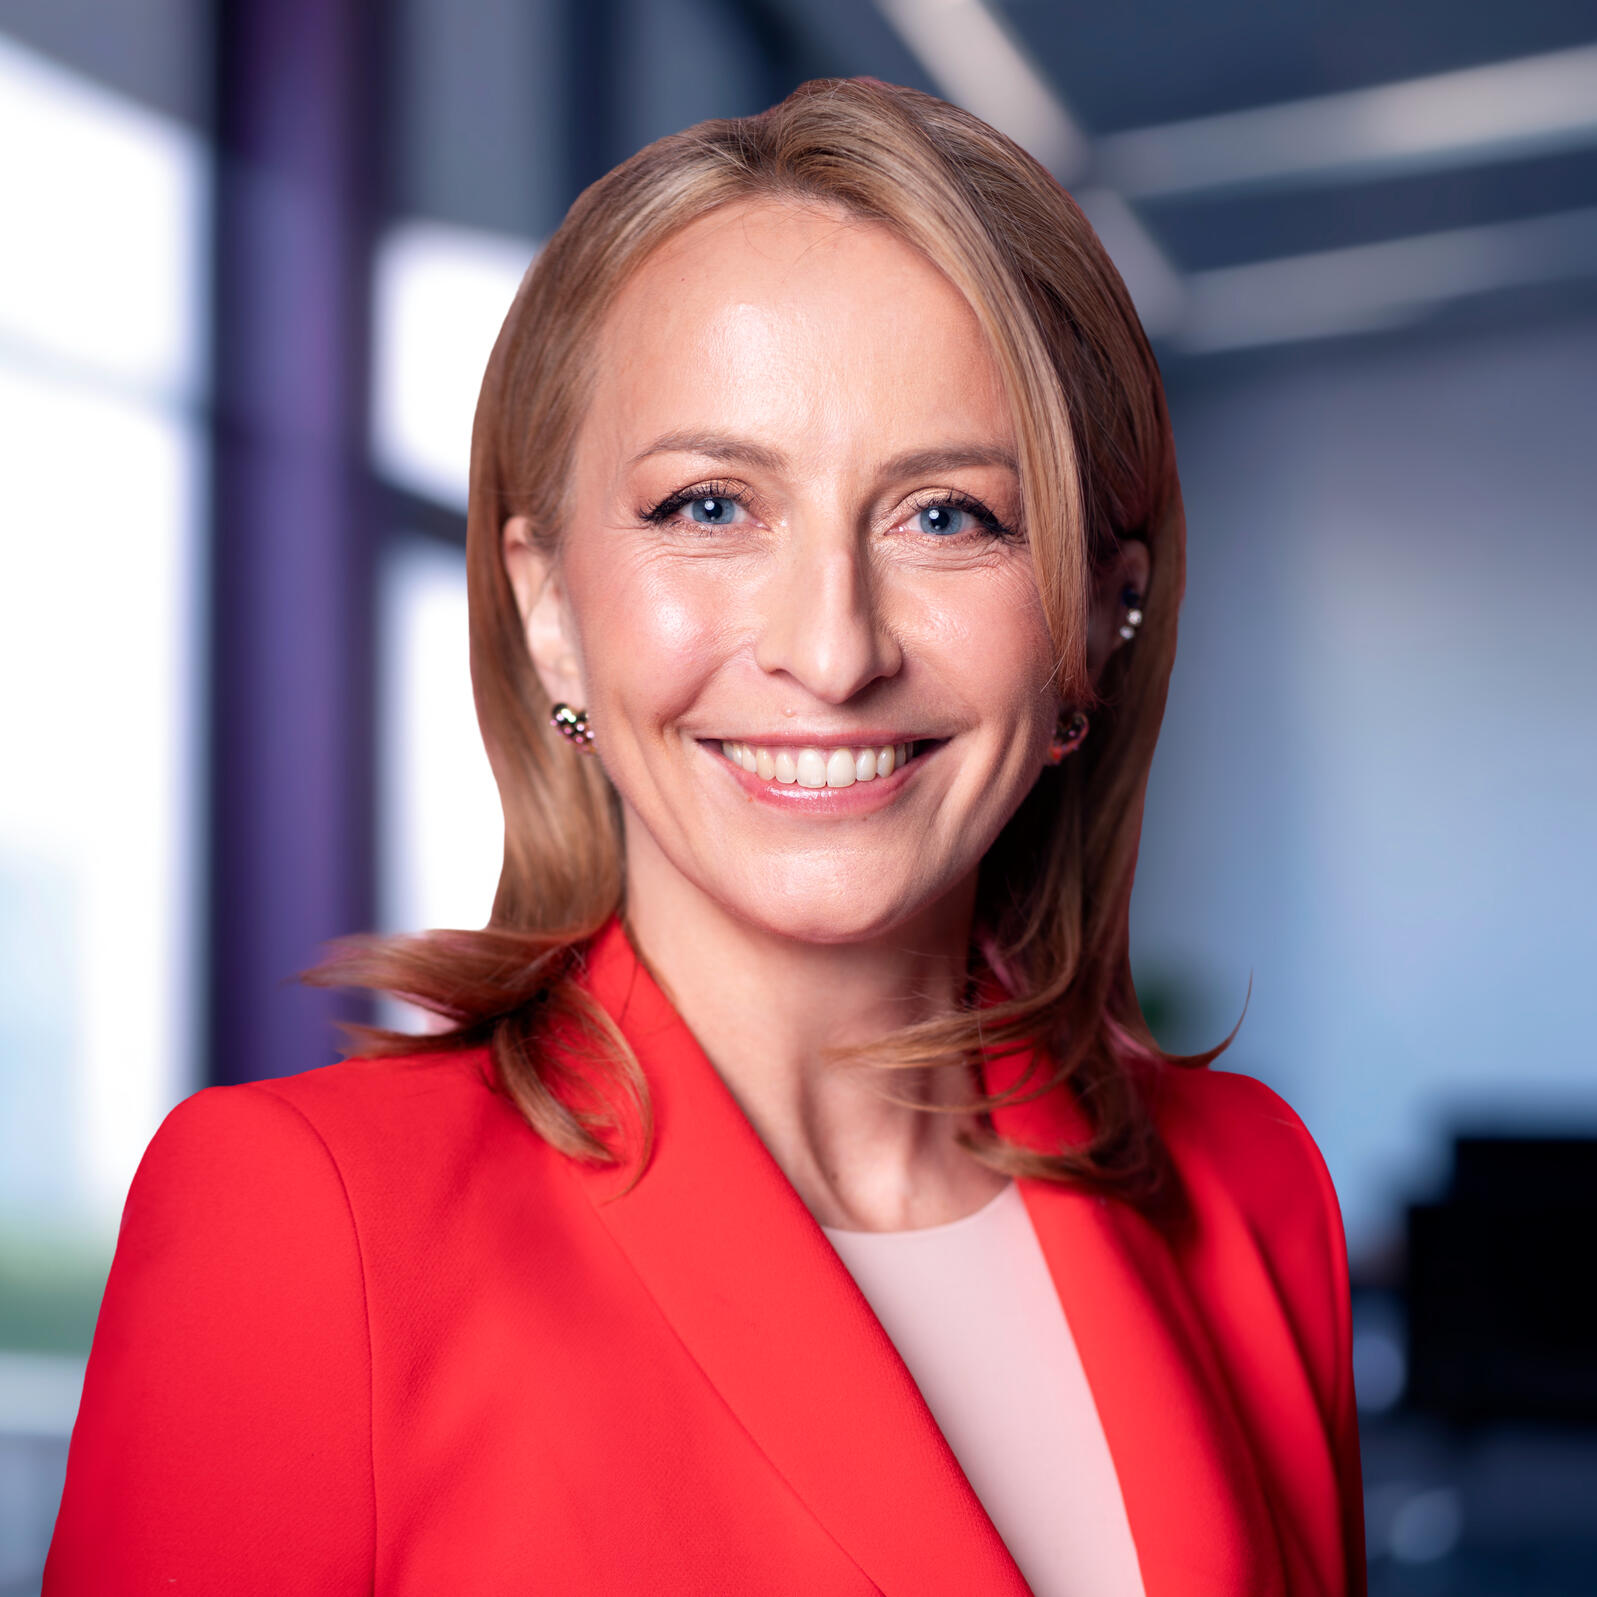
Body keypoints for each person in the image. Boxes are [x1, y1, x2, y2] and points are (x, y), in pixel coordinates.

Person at [46, 77, 1365, 1596]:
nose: (831, 649)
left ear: (1100, 616)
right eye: (710, 507)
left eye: (947, 515)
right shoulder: (303, 1224)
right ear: (548, 606)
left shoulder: (1250, 1190)